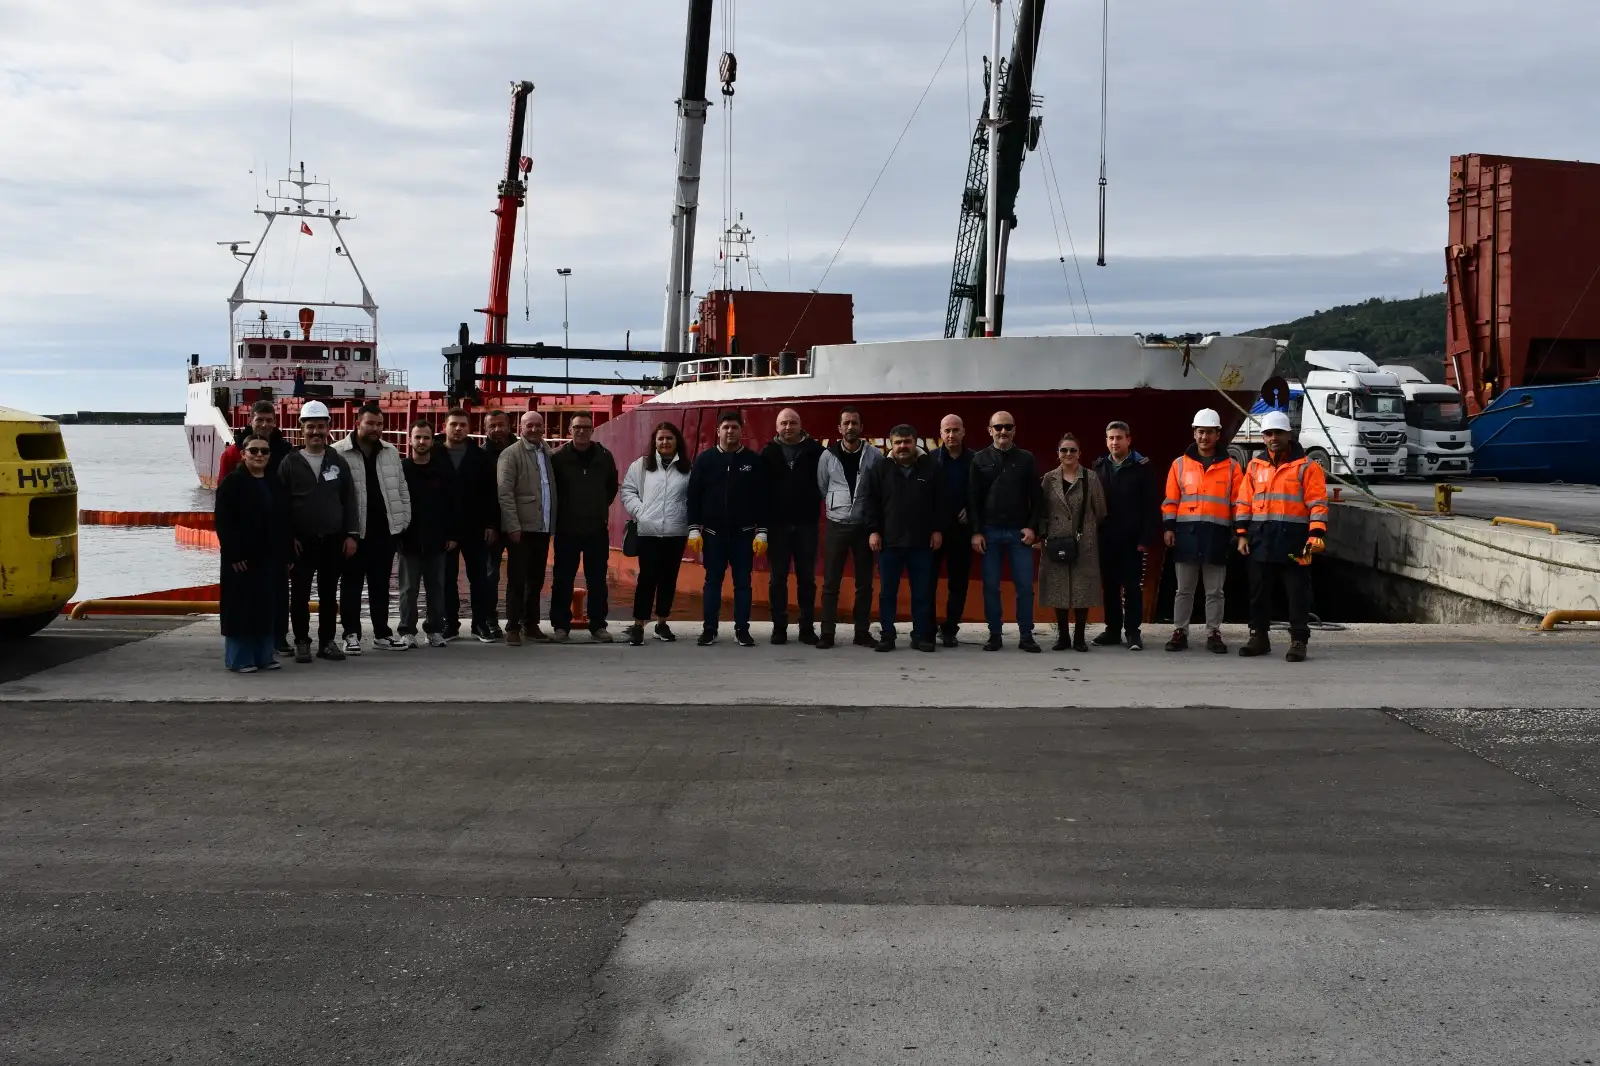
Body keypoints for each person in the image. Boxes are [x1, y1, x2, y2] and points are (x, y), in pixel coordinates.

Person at [1235, 410, 1329, 663]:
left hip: (1296, 541)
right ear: (1263, 437)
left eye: (1278, 433)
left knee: (1298, 593)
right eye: (1268, 434)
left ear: (1289, 434)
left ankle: (1298, 640)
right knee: (1258, 592)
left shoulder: (1307, 467)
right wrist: (1242, 534)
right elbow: (1244, 502)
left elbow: (1317, 503)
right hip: (1261, 540)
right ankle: (1259, 636)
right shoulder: (1255, 466)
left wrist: (1316, 534)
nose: (1273, 438)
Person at [277, 400, 359, 663]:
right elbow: (280, 505)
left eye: (321, 426)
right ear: (302, 428)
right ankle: (302, 641)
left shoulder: (338, 462)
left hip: (333, 540)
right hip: (301, 542)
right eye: (311, 426)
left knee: (328, 595)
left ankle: (327, 642)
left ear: (328, 428)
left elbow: (349, 500)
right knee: (300, 595)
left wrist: (351, 535)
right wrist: (288, 538)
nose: (316, 432)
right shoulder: (290, 463)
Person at [1162, 408, 1245, 654]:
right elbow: (1171, 501)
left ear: (1218, 434)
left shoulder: (1232, 467)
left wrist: (1240, 531)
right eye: (1200, 432)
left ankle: (1213, 632)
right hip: (1186, 535)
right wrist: (1169, 528)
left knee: (1215, 591)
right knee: (1184, 590)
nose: (1204, 437)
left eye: (1209, 432)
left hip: (1216, 536)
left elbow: (1238, 503)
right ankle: (1180, 631)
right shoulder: (1179, 465)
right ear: (1194, 433)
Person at [332, 403, 412, 653]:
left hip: (384, 531)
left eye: (379, 424)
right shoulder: (338, 452)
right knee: (351, 584)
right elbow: (333, 496)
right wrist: (344, 532)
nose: (375, 428)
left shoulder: (390, 451)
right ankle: (351, 634)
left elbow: (401, 488)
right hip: (354, 533)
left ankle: (382, 634)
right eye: (370, 423)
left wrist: (402, 521)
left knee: (380, 585)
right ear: (358, 423)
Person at [216, 400, 294, 652]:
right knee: (243, 596)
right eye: (259, 420)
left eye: (269, 420)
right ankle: (242, 648)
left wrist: (288, 543)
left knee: (277, 592)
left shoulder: (285, 451)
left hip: (273, 541)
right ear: (250, 421)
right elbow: (224, 508)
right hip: (245, 542)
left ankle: (276, 638)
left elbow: (287, 503)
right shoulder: (232, 455)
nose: (264, 424)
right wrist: (232, 549)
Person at [686, 410, 769, 647]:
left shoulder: (753, 461)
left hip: (744, 535)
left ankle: (742, 630)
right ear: (718, 431)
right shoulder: (705, 460)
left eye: (734, 427)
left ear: (741, 431)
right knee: (712, 582)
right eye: (726, 427)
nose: (730, 431)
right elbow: (693, 496)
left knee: (743, 583)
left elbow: (763, 498)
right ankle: (709, 629)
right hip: (713, 535)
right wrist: (693, 528)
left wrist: (762, 531)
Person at [863, 424, 944, 652]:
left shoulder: (931, 467)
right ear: (891, 444)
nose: (902, 446)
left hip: (921, 542)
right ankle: (887, 635)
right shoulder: (880, 468)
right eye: (898, 442)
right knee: (888, 592)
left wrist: (937, 529)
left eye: (907, 442)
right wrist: (873, 530)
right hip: (890, 542)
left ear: (915, 442)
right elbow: (871, 502)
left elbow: (940, 502)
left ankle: (921, 635)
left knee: (922, 592)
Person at [969, 410, 1044, 653]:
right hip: (989, 532)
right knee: (991, 586)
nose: (1003, 431)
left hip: (1018, 533)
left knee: (1024, 587)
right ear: (989, 430)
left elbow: (1037, 497)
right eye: (998, 427)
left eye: (1008, 427)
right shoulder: (979, 459)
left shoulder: (1026, 458)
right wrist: (976, 532)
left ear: (1014, 430)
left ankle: (1026, 635)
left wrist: (1032, 527)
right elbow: (973, 499)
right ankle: (994, 635)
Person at [815, 407, 883, 650]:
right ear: (839, 428)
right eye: (847, 423)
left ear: (861, 427)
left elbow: (879, 489)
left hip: (864, 526)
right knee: (830, 582)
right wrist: (838, 506)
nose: (851, 427)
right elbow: (823, 486)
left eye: (855, 423)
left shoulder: (874, 455)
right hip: (837, 525)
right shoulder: (827, 456)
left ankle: (861, 632)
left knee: (864, 583)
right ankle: (827, 633)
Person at [548, 413, 620, 642]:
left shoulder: (604, 457)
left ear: (592, 430)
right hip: (566, 529)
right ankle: (561, 626)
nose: (581, 431)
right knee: (562, 579)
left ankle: (598, 625)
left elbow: (611, 487)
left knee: (597, 580)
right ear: (570, 430)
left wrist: (597, 507)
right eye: (577, 427)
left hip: (595, 529)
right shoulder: (557, 457)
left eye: (586, 427)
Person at [620, 421, 692, 646]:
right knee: (647, 579)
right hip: (648, 532)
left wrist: (687, 518)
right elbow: (628, 490)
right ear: (654, 442)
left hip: (676, 532)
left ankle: (662, 623)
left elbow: (694, 497)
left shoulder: (688, 468)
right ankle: (638, 624)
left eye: (669, 438)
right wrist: (641, 512)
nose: (665, 442)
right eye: (661, 438)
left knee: (668, 580)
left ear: (677, 441)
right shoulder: (642, 465)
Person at [1091, 420, 1161, 651]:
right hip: (1106, 538)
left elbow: (1151, 507)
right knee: (1110, 587)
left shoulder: (1142, 468)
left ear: (1128, 440)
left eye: (1119, 438)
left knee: (1131, 587)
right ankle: (1112, 630)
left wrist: (1145, 539)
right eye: (1111, 438)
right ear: (1106, 441)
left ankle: (1133, 632)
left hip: (1132, 540)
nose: (1115, 442)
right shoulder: (1099, 467)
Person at [1038, 432, 1108, 652]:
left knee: (1082, 589)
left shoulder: (1090, 478)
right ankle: (1063, 637)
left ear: (1079, 454)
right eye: (1064, 450)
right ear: (1058, 453)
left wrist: (1086, 529)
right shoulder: (1048, 479)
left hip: (1083, 542)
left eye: (1072, 450)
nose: (1068, 453)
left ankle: (1079, 637)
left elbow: (1101, 510)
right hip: (1055, 541)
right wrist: (1044, 535)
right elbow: (1041, 510)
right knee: (1058, 588)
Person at [759, 408, 824, 645]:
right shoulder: (768, 453)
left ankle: (806, 628)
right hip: (778, 526)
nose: (788, 427)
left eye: (793, 423)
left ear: (800, 425)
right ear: (777, 427)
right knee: (777, 579)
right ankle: (779, 628)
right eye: (784, 423)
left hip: (807, 525)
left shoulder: (816, 451)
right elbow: (761, 490)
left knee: (807, 579)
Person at [438, 408, 502, 642]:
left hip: (475, 527)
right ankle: (450, 624)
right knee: (446, 579)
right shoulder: (434, 454)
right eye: (453, 424)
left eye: (463, 425)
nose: (458, 428)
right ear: (445, 427)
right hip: (444, 529)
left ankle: (479, 624)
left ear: (469, 428)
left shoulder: (481, 457)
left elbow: (491, 493)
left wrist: (491, 524)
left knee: (479, 579)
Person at [397, 419, 461, 648]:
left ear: (432, 441)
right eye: (418, 437)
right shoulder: (402, 469)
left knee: (437, 589)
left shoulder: (443, 471)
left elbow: (454, 504)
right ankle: (407, 631)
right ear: (410, 440)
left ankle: (434, 630)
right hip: (409, 540)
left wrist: (453, 534)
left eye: (426, 437)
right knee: (408, 590)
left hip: (437, 540)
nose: (422, 441)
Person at [496, 410, 557, 647]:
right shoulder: (510, 454)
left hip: (542, 527)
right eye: (529, 425)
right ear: (520, 428)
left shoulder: (547, 453)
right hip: (521, 529)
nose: (534, 429)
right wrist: (513, 526)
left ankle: (531, 625)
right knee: (517, 580)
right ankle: (512, 627)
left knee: (536, 580)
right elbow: (505, 493)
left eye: (538, 425)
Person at [933, 413, 974, 646]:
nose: (951, 435)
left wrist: (971, 509)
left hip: (962, 532)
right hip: (936, 532)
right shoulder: (930, 460)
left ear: (963, 432)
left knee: (958, 583)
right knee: (927, 581)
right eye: (947, 430)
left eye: (955, 430)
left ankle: (950, 628)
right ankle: (927, 627)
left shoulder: (976, 460)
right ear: (940, 433)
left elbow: (984, 492)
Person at [481, 409, 515, 627]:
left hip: (518, 524)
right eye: (492, 426)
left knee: (519, 575)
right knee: (490, 575)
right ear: (485, 429)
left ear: (509, 427)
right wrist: (487, 524)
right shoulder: (480, 456)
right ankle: (490, 619)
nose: (497, 430)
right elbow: (478, 495)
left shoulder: (522, 451)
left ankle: (517, 620)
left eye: (501, 425)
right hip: (492, 526)